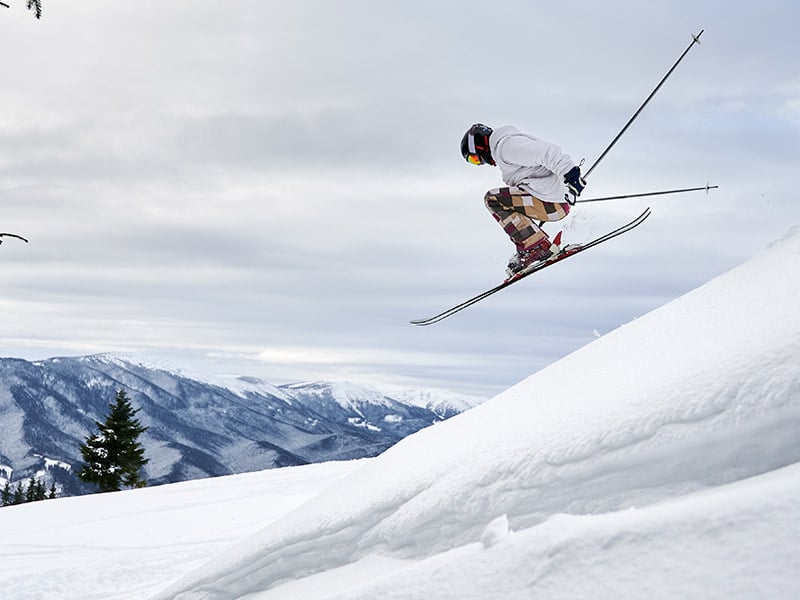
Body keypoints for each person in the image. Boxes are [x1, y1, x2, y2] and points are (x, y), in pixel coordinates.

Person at [461, 123, 587, 277]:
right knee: (504, 200)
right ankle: (532, 246)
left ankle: (535, 248)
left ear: (480, 146)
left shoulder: (506, 147)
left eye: (475, 159)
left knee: (492, 199)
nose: (481, 163)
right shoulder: (505, 147)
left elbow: (547, 152)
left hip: (551, 203)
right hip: (552, 201)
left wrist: (571, 175)